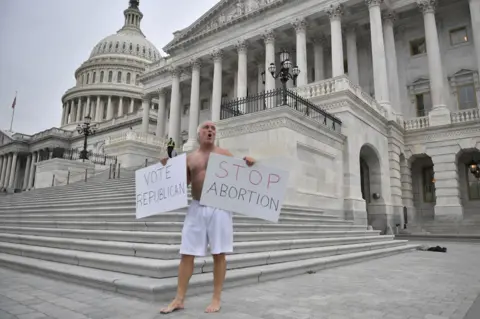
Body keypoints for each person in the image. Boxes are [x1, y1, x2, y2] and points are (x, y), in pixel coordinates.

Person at [159, 120, 255, 314]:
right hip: (196, 207)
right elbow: (181, 184)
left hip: (219, 208)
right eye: (206, 128)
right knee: (186, 253)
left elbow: (240, 178)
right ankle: (179, 298)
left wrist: (249, 164)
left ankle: (216, 298)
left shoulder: (225, 154)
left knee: (219, 253)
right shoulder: (189, 158)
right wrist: (166, 169)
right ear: (199, 134)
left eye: (213, 129)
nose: (210, 130)